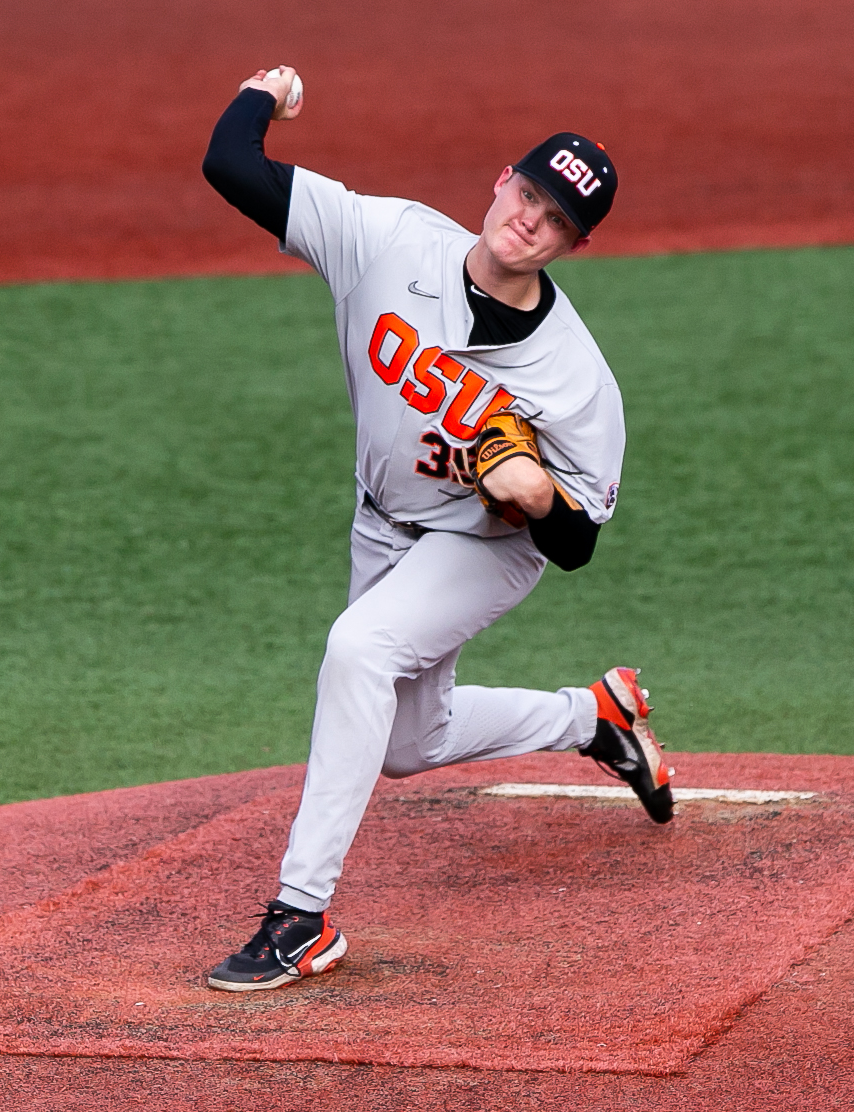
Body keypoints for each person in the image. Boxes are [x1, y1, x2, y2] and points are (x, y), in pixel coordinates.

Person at [199, 66, 671, 992]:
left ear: (575, 244)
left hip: (485, 550)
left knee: (359, 650)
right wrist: (265, 93)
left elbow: (576, 545)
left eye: (556, 219)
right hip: (383, 523)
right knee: (409, 745)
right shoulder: (389, 239)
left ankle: (301, 918)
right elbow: (230, 164)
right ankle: (596, 717)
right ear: (503, 180)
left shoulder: (578, 381)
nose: (530, 219)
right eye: (529, 193)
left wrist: (537, 495)